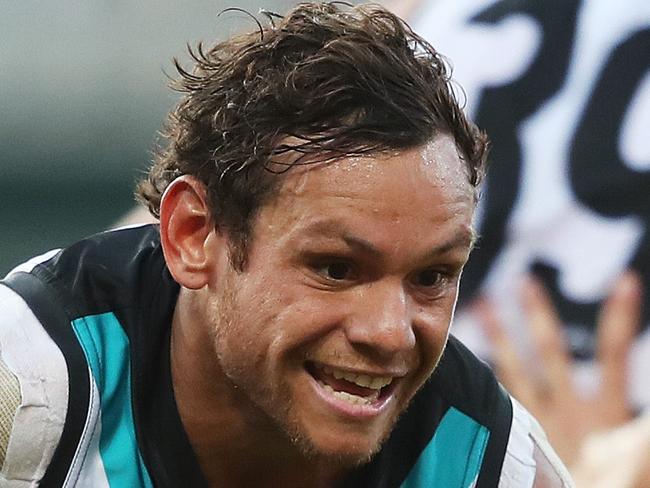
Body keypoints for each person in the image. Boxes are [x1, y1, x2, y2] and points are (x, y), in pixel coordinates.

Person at [0, 3, 572, 487]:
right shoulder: (28, 382)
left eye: (432, 276)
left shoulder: (491, 466)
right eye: (335, 268)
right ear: (194, 235)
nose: (390, 333)